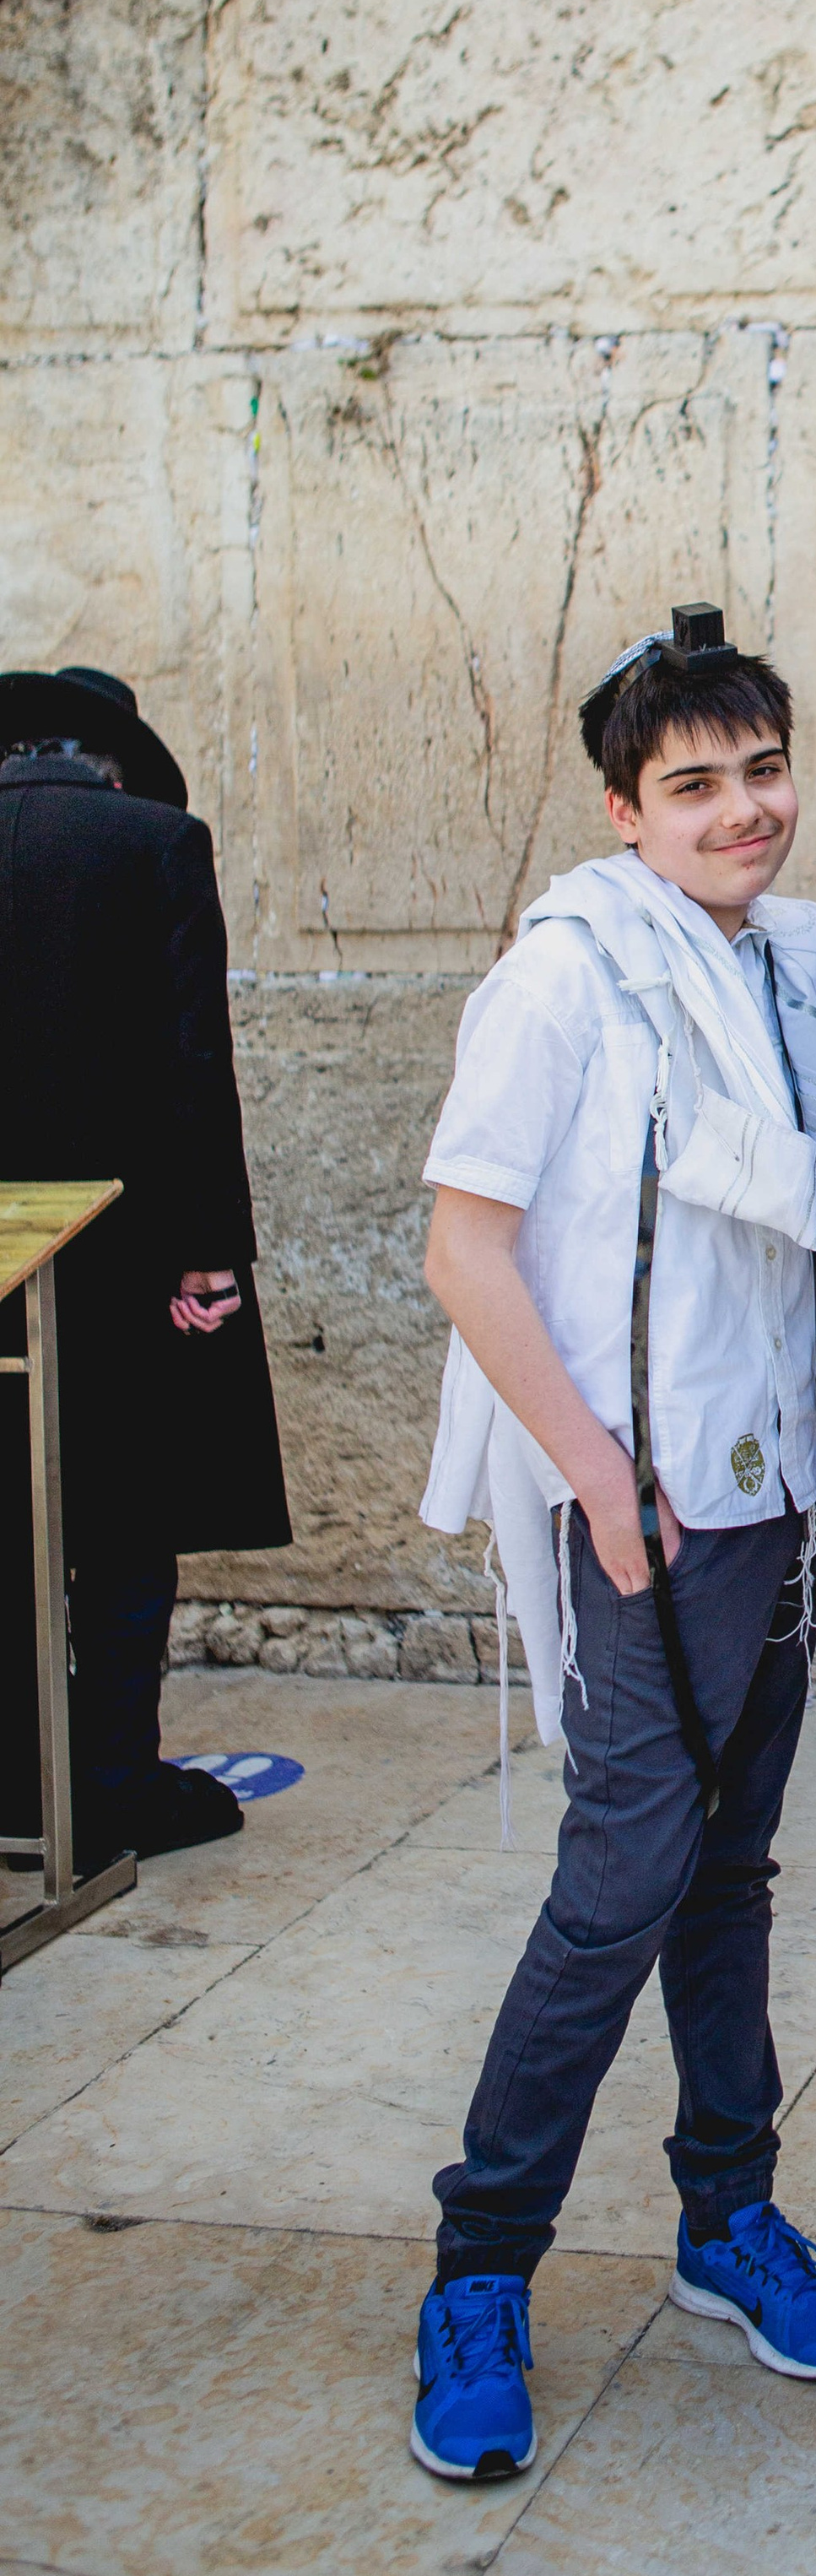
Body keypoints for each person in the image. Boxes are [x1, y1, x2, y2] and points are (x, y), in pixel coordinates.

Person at [408, 609, 816, 2485]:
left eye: (761, 770)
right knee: (623, 1874)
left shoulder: (801, 965)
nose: (742, 810)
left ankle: (727, 2218)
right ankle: (480, 2260)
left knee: (729, 1874)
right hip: (625, 1499)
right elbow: (463, 1247)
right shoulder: (566, 976)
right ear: (626, 806)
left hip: (772, 1484)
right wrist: (597, 1476)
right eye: (695, 783)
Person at [0, 664, 289, 1871]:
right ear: (115, 762)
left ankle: (22, 1779)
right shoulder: (153, 842)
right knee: (121, 1522)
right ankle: (111, 1780)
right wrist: (211, 1256)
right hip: (117, 1258)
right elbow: (191, 1065)